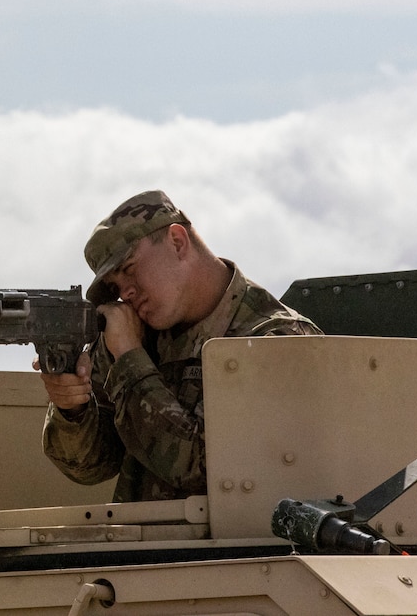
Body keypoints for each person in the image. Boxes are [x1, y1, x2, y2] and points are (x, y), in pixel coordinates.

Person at [41, 190, 321, 502]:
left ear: (177, 242)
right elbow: (91, 467)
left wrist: (131, 361)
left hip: (236, 549)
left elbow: (207, 470)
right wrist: (73, 408)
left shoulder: (279, 338)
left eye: (130, 269)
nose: (126, 293)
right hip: (140, 546)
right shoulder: (132, 335)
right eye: (115, 288)